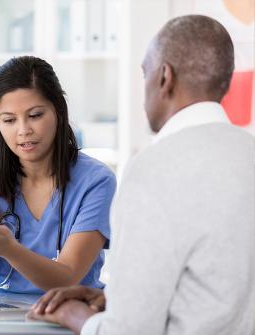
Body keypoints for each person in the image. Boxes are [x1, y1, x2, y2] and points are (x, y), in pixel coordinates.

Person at [28, 14, 255, 334]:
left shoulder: (154, 167)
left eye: (145, 72)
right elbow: (218, 289)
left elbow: (128, 332)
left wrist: (73, 315)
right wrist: (116, 299)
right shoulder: (248, 153)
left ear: (165, 78)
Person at [0, 56, 117, 295]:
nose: (23, 130)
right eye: (9, 120)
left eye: (35, 115)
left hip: (70, 315)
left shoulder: (96, 181)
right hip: (2, 320)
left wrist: (9, 249)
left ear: (58, 111)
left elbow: (68, 277)